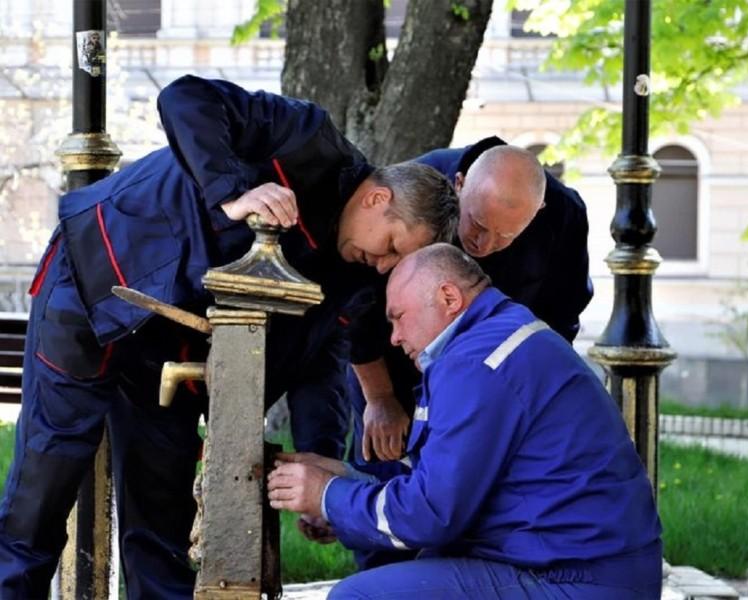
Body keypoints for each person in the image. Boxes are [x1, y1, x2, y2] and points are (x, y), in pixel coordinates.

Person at [0, 75, 459, 599]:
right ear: (378, 198)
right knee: (43, 488)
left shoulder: (358, 272)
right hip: (95, 278)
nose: (387, 266)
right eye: (394, 247)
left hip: (170, 356)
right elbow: (184, 97)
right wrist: (233, 190)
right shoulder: (304, 135)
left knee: (161, 521)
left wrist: (318, 463)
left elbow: (322, 360)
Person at [267, 244, 663, 599]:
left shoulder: (478, 362)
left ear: (449, 297)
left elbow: (431, 516)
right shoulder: (492, 342)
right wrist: (346, 481)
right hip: (578, 566)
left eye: (399, 317)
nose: (394, 337)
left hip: (572, 579)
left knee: (360, 598)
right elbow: (444, 484)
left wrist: (327, 494)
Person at [347, 140, 593, 538]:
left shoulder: (564, 215)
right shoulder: (416, 186)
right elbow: (356, 304)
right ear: (458, 184)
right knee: (386, 484)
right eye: (476, 225)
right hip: (392, 366)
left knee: (478, 499)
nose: (484, 245)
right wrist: (379, 398)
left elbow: (560, 321)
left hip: (498, 383)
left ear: (538, 213)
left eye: (505, 236)